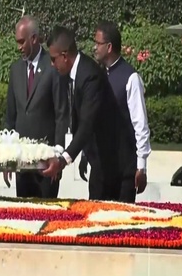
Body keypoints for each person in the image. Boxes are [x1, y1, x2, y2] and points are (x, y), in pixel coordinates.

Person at [43, 25, 130, 201]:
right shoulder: (70, 74)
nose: (52, 65)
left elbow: (87, 124)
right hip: (98, 163)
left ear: (65, 56)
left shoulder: (91, 75)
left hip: (114, 166)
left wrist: (62, 162)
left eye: (53, 59)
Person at [5, 16, 67, 198]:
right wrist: (7, 156)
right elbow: (10, 116)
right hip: (21, 164)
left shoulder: (53, 65)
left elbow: (61, 114)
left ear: (34, 38)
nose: (19, 47)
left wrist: (58, 156)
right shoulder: (15, 70)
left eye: (22, 41)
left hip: (47, 164)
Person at [93, 21, 152, 203]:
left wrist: (141, 166)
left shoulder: (131, 77)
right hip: (101, 168)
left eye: (98, 43)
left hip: (124, 170)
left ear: (109, 47)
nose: (94, 47)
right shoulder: (97, 74)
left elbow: (140, 125)